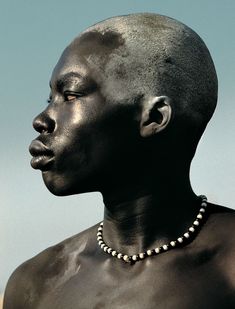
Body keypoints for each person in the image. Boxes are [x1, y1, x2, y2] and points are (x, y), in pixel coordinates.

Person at [3, 13, 235, 309]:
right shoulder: (35, 285)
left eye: (70, 95)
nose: (41, 120)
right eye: (49, 99)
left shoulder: (228, 267)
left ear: (153, 117)